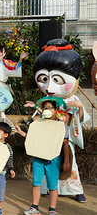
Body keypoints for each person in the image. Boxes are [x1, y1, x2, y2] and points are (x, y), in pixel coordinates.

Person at [27, 39, 89, 203]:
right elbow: (45, 116)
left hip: (65, 138)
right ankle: (49, 189)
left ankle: (76, 189)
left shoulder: (73, 99)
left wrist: (80, 108)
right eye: (43, 79)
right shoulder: (47, 100)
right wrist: (38, 108)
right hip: (51, 138)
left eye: (57, 80)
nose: (49, 87)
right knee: (49, 160)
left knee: (70, 164)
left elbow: (79, 122)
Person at [16, 97, 70, 215]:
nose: (48, 110)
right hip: (38, 158)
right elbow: (32, 139)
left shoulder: (61, 125)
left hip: (54, 159)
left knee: (53, 185)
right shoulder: (38, 123)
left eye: (51, 108)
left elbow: (65, 144)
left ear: (56, 110)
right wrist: (21, 132)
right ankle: (34, 207)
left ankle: (52, 210)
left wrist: (66, 161)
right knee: (36, 183)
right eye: (45, 108)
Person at [0, 45, 28, 118]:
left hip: (2, 85)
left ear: (4, 53)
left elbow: (15, 67)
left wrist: (20, 59)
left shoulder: (6, 62)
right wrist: (2, 57)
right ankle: (1, 115)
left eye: (1, 52)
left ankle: (1, 114)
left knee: (9, 99)